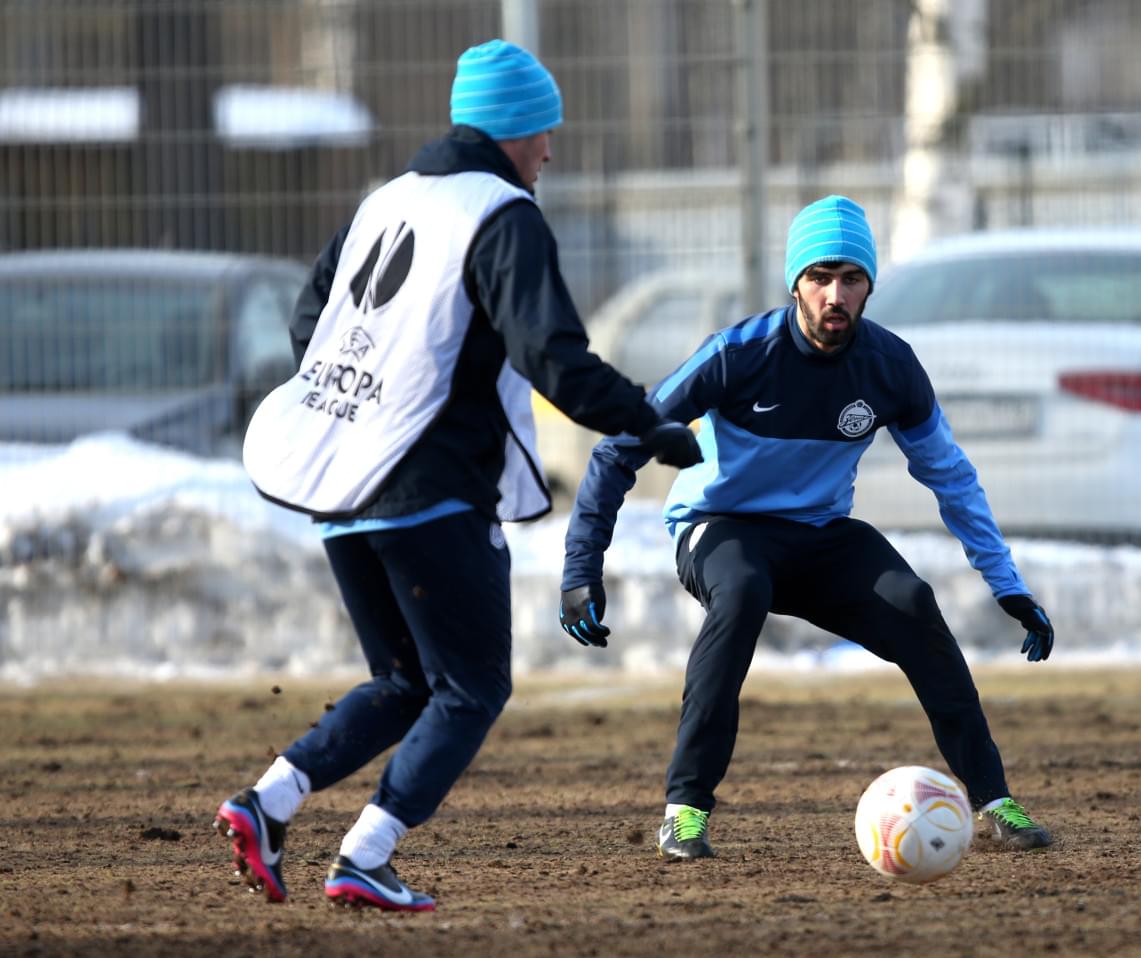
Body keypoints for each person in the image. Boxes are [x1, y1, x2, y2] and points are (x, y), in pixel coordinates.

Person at [213, 39, 702, 911]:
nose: (550, 150)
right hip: (429, 488)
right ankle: (366, 854)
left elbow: (308, 322)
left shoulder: (383, 203)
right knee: (474, 687)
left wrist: (362, 412)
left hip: (344, 492)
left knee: (406, 682)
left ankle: (268, 802)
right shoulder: (502, 216)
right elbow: (552, 356)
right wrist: (647, 422)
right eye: (544, 131)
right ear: (515, 131)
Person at [560, 195, 1057, 861]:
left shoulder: (891, 366)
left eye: (851, 279)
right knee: (739, 594)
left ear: (869, 286)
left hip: (820, 534)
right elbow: (618, 448)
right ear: (796, 281)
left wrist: (1007, 583)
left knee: (913, 604)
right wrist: (580, 568)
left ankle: (993, 798)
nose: (835, 294)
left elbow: (951, 476)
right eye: (820, 277)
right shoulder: (737, 355)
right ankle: (684, 810)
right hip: (720, 526)